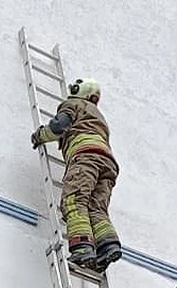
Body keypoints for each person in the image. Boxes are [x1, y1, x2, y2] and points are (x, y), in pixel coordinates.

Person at [30, 78, 121, 272]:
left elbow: (58, 127)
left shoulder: (73, 104)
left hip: (85, 157)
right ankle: (107, 246)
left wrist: (40, 136)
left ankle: (82, 248)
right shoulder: (98, 115)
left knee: (73, 200)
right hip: (108, 164)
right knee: (96, 207)